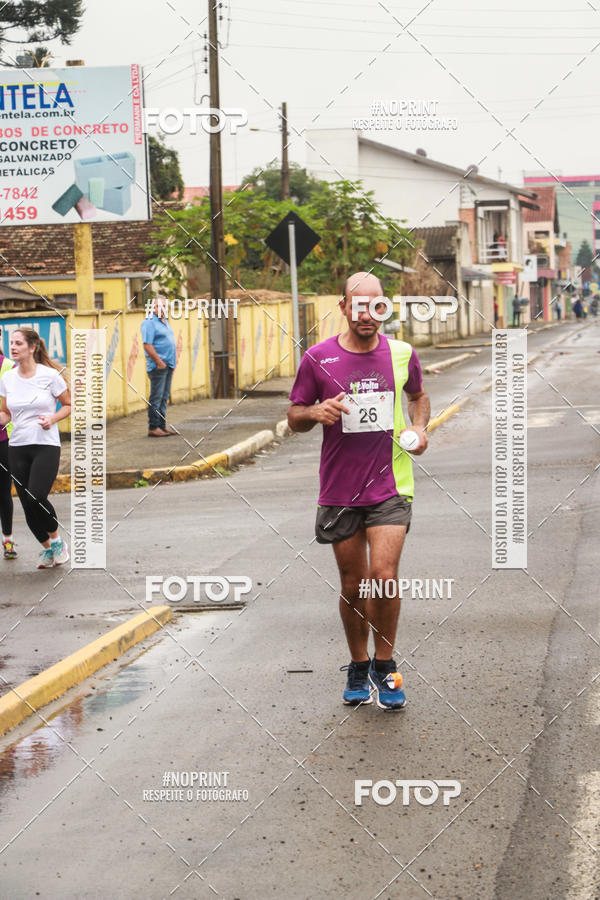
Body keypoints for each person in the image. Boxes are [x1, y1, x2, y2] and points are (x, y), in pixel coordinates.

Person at [287, 272, 430, 710]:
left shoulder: (402, 353)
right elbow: (293, 416)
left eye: (376, 306)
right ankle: (357, 663)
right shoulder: (318, 358)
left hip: (391, 485)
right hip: (339, 490)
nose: (367, 315)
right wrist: (314, 412)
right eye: (359, 306)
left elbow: (418, 396)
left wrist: (420, 428)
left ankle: (385, 666)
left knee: (383, 577)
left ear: (385, 308)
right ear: (345, 308)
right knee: (353, 585)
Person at [0, 328, 71, 568]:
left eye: (18, 343)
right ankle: (48, 549)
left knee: (36, 496)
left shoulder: (49, 376)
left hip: (45, 444)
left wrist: (52, 419)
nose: (13, 347)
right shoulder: (8, 378)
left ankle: (57, 541)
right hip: (17, 446)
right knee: (26, 504)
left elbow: (68, 404)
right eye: (11, 343)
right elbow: (6, 414)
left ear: (32, 347)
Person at [141, 296, 177, 437]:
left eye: (163, 306)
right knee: (156, 397)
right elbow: (147, 345)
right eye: (157, 306)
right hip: (158, 367)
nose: (161, 309)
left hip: (168, 364)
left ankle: (161, 426)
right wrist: (159, 362)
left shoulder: (164, 321)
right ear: (153, 308)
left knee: (164, 397)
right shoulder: (149, 322)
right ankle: (153, 426)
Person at [0, 350, 17, 559]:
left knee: (3, 492)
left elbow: (13, 408)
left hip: (4, 440)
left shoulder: (9, 367)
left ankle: (8, 540)